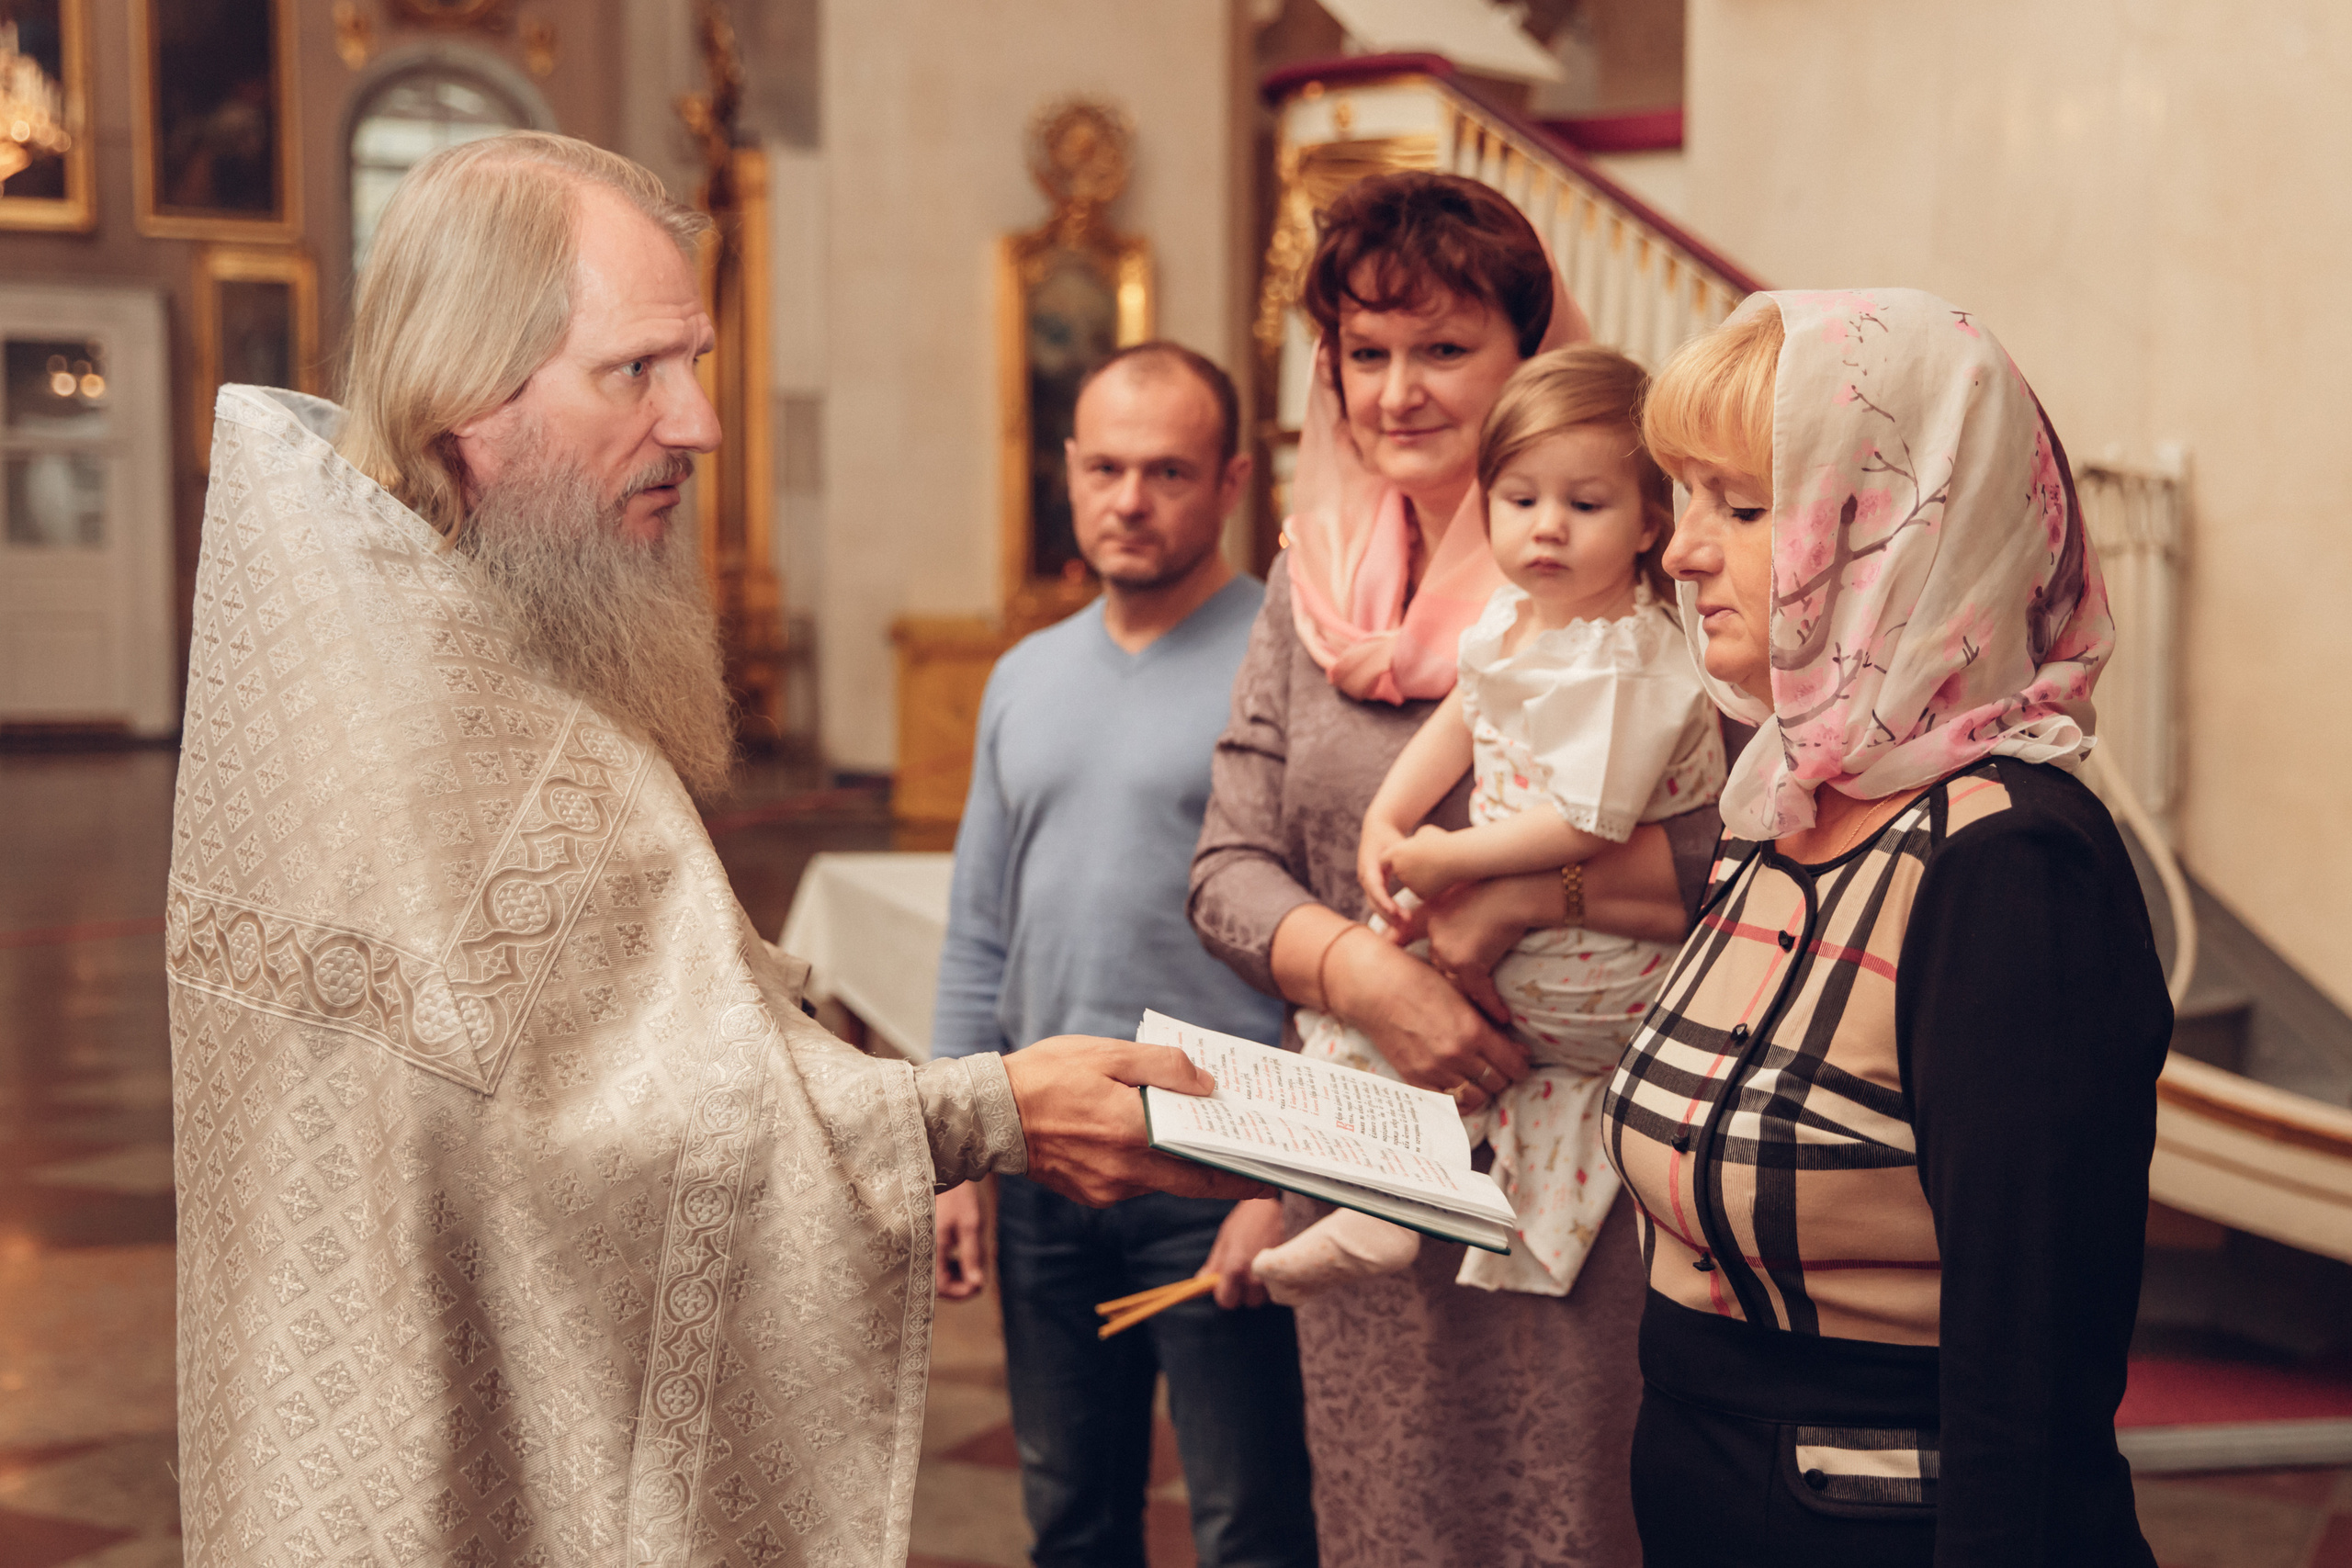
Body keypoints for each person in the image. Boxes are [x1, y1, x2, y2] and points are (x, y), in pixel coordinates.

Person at [164, 132, 1255, 1568]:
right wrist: (982, 1111)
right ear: (465, 402)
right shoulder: (435, 729)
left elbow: (572, 1096)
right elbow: (580, 1157)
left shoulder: (412, 652)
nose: (702, 424)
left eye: (697, 363)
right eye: (640, 371)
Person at [1188, 170, 1723, 1567]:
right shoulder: (1309, 591)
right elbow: (1229, 867)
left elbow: (1725, 859)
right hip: (1357, 1137)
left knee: (1567, 1510)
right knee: (1382, 1515)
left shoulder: (1619, 586)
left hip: (1570, 1166)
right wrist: (1370, 975)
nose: (1400, 391)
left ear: (1528, 359)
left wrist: (1513, 903)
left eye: (1444, 348)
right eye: (1366, 353)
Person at [1606, 288, 2171, 1564]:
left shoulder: (2008, 862)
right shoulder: (1793, 800)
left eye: (1742, 507)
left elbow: (2025, 1367)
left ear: (1897, 529)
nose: (1684, 551)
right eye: (1682, 498)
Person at [929, 343, 1318, 1568]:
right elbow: (980, 925)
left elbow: (1329, 923)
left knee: (1250, 1521)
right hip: (1047, 1152)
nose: (1130, 499)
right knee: (1071, 1512)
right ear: (1069, 469)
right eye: (1105, 467)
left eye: (1167, 470)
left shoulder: (1291, 661)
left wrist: (1281, 1178)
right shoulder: (1022, 676)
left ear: (1233, 480)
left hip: (1222, 1154)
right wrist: (954, 1148)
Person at [1255, 344, 1724, 1303]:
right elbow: (1464, 713)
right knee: (1355, 1006)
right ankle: (1386, 1205)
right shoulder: (1519, 617)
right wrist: (1387, 816)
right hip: (1545, 942)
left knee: (1379, 1009)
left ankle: (1391, 1202)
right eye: (1519, 500)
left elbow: (1588, 824)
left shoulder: (1631, 659)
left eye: (1584, 506)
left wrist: (1446, 855)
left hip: (1604, 964)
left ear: (1648, 526)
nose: (1547, 528)